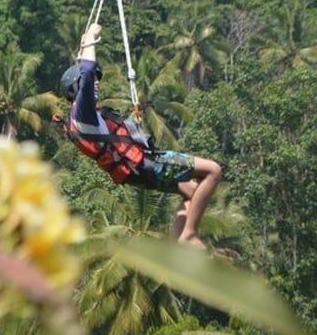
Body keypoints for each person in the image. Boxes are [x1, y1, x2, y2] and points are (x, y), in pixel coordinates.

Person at [59, 23, 222, 250]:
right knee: (213, 171)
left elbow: (88, 77)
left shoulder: (81, 119)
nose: (97, 82)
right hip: (144, 163)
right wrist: (89, 41)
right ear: (75, 88)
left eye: (98, 79)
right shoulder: (82, 111)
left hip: (134, 170)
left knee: (193, 193)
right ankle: (189, 235)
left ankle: (178, 248)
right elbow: (86, 71)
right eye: (93, 80)